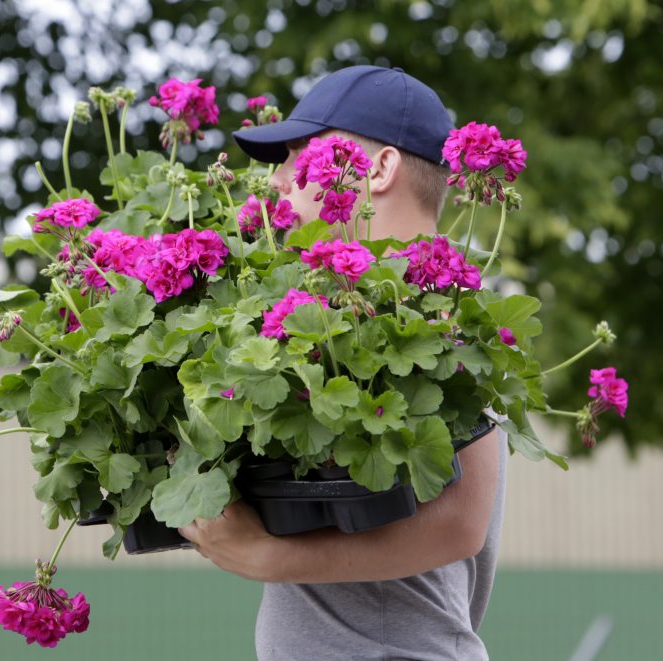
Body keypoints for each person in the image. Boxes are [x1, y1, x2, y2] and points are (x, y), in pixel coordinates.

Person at [177, 65, 506, 661]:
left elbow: (461, 523)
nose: (278, 180)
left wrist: (269, 558)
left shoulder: (445, 313)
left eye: (298, 154)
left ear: (377, 169)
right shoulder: (330, 308)